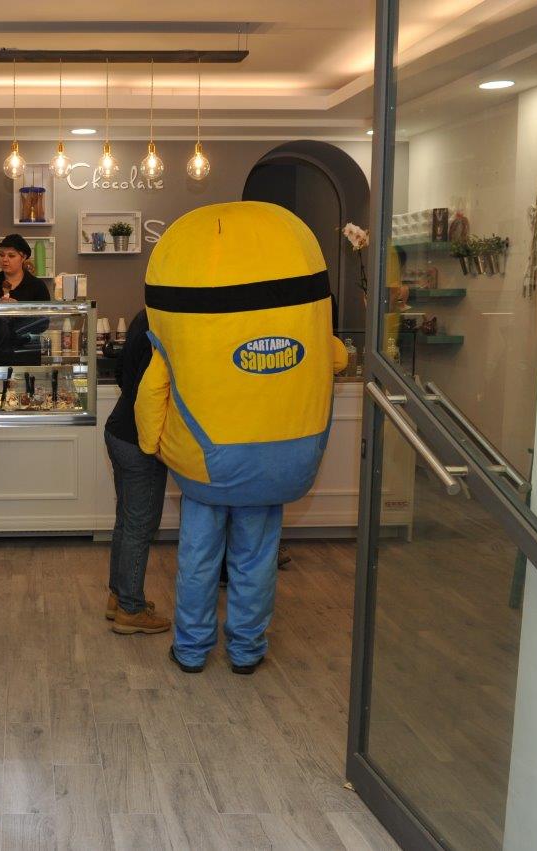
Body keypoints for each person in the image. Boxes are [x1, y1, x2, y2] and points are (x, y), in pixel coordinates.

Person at [136, 201, 346, 676]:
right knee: (256, 560)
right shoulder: (291, 242)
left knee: (198, 560)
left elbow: (152, 391)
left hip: (206, 462)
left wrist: (152, 444)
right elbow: (334, 359)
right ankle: (247, 649)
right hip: (278, 461)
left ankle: (192, 649)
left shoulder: (181, 277)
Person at [103, 309, 171, 635]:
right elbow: (154, 393)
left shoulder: (144, 316)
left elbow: (121, 371)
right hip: (140, 440)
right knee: (140, 526)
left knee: (126, 521)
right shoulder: (169, 323)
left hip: (119, 430)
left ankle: (118, 597)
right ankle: (131, 608)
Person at [0, 234, 50, 366]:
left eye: (11, 256)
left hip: (26, 356)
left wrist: (20, 310)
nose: (5, 259)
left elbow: (44, 323)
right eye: (2, 255)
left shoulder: (37, 286)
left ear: (23, 257)